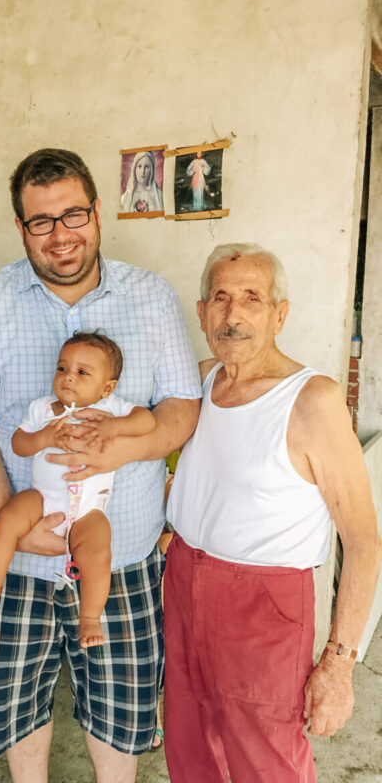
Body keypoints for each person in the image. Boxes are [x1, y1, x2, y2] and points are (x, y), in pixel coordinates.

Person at [0, 147, 201, 783]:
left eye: (73, 214)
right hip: (19, 554)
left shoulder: (150, 297)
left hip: (123, 550)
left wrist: (120, 445)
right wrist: (11, 522)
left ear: (98, 212)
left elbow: (182, 409)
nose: (61, 235)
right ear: (21, 227)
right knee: (18, 710)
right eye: (41, 221)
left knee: (120, 707)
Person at [163, 243, 382, 783]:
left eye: (252, 298)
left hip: (263, 603)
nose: (233, 315)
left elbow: (363, 540)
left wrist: (339, 663)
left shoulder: (314, 401)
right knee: (191, 746)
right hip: (184, 579)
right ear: (201, 311)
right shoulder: (200, 380)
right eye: (220, 298)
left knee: (267, 760)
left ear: (279, 313)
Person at [0, 331, 156, 650]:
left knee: (97, 552)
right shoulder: (43, 409)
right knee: (7, 519)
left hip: (90, 510)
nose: (68, 377)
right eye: (62, 368)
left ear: (107, 386)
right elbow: (19, 443)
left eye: (82, 372)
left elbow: (147, 421)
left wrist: (115, 427)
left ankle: (90, 618)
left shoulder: (110, 408)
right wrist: (42, 438)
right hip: (41, 497)